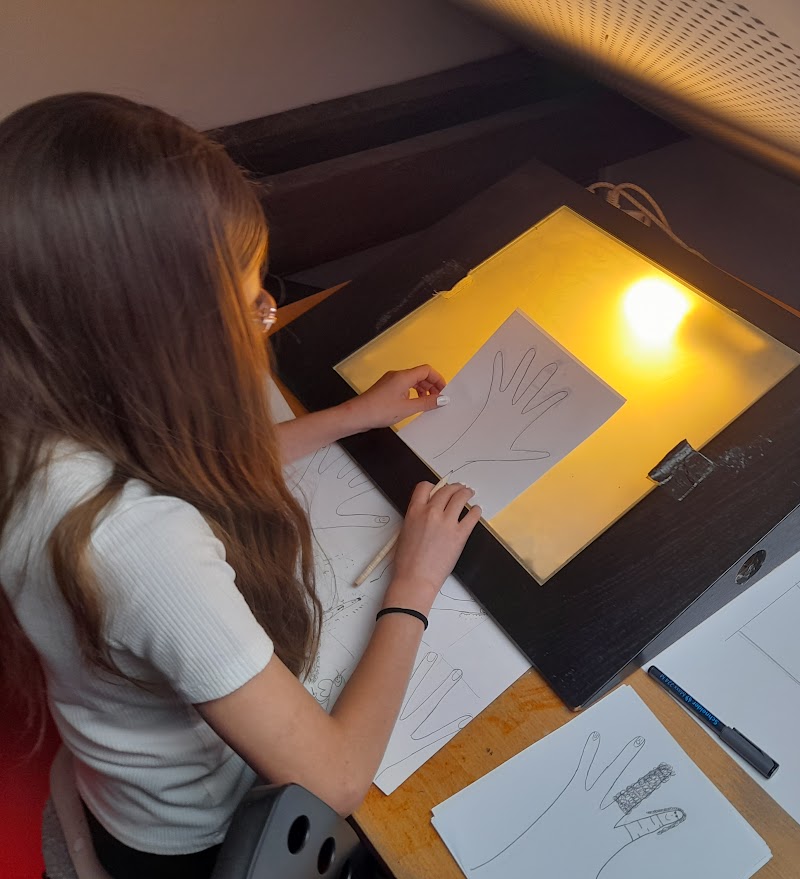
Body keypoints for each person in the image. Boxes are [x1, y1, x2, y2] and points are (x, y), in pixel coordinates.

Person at [0, 92, 481, 879]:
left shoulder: (34, 423)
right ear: (160, 337)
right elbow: (333, 779)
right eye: (248, 301)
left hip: (119, 774)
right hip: (191, 840)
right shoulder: (138, 544)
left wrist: (350, 416)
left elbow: (183, 467)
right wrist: (413, 585)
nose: (267, 310)